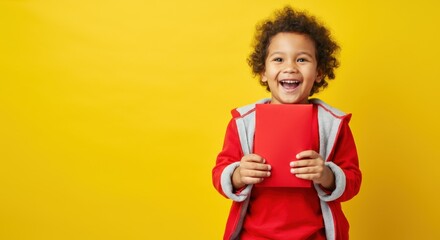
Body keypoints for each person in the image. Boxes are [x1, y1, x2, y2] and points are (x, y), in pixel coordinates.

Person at [212, 6, 362, 240]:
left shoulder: (334, 124)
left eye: (302, 59)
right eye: (278, 59)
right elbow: (220, 173)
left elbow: (352, 181)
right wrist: (238, 174)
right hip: (254, 236)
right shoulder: (244, 122)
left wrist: (326, 174)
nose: (290, 67)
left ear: (319, 71)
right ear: (263, 71)